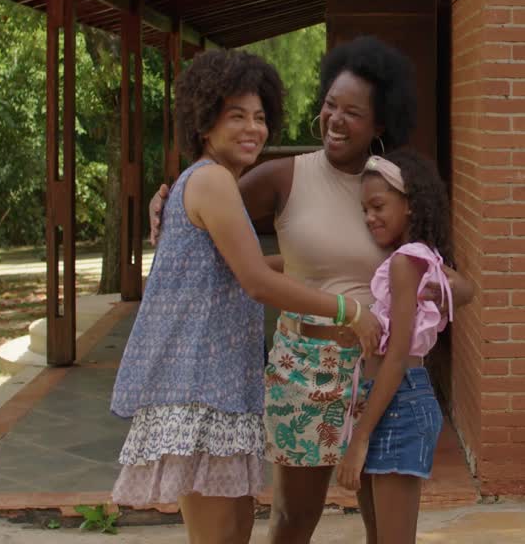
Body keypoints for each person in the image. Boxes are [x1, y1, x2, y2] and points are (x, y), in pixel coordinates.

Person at [149, 36, 474, 543]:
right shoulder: (283, 177)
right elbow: (208, 217)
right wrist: (165, 193)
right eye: (329, 105)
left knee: (382, 527)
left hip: (374, 373)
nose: (336, 120)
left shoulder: (391, 190)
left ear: (380, 123)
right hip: (303, 372)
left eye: (353, 112)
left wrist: (432, 292)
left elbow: (445, 274)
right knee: (293, 521)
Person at [111, 50, 381, 544]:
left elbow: (247, 270)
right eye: (236, 116)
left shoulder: (214, 182)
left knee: (233, 533)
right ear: (204, 121)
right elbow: (257, 281)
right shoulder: (212, 181)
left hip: (220, 388)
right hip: (201, 388)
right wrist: (349, 309)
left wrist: (326, 271)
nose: (252, 128)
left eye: (259, 117)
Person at [335, 149, 454, 544]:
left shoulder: (406, 262)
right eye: (364, 210)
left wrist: (360, 439)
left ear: (410, 204)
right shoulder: (413, 259)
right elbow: (465, 286)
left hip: (400, 402)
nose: (370, 218)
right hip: (386, 399)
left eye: (378, 206)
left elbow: (398, 356)